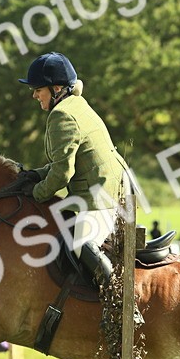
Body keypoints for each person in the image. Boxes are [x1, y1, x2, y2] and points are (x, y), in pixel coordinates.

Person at [15, 52, 129, 289]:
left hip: (100, 196)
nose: (34, 94)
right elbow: (63, 162)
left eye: (38, 89)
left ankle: (118, 299)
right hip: (108, 187)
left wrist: (36, 193)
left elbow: (63, 173)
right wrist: (37, 174)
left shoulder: (62, 115)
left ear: (56, 89)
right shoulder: (76, 105)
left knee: (81, 244)